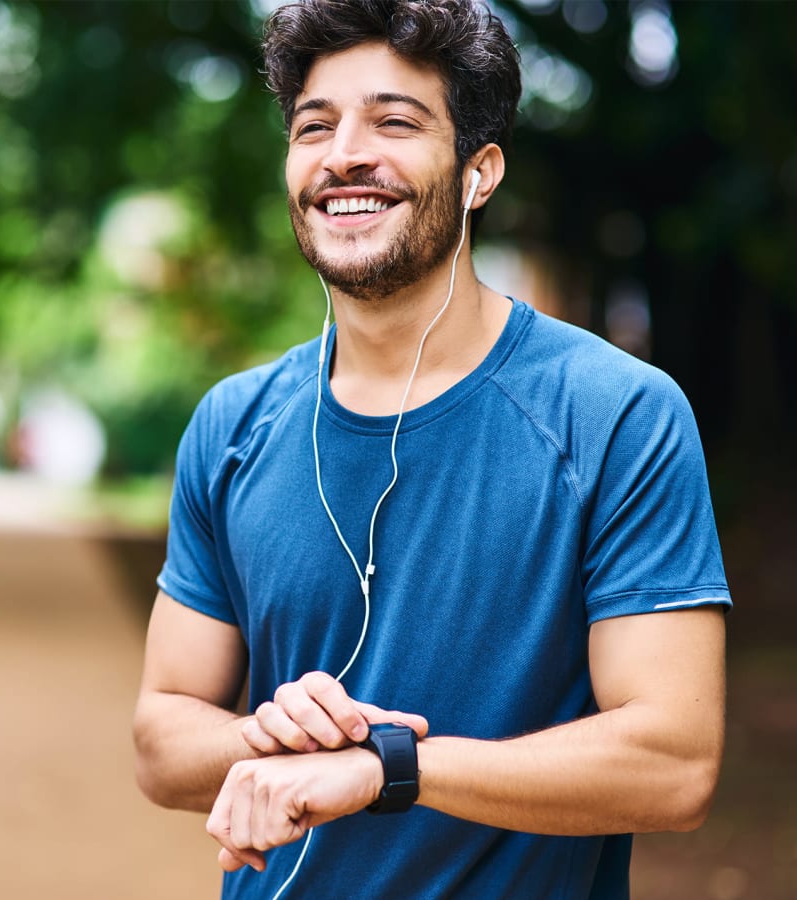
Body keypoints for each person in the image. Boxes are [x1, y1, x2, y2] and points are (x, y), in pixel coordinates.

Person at [133, 1, 731, 897]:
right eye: (314, 126)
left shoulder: (617, 415)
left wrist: (386, 767)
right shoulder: (233, 424)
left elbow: (674, 763)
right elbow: (160, 742)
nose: (344, 155)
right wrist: (278, 738)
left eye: (395, 121)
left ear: (478, 172)